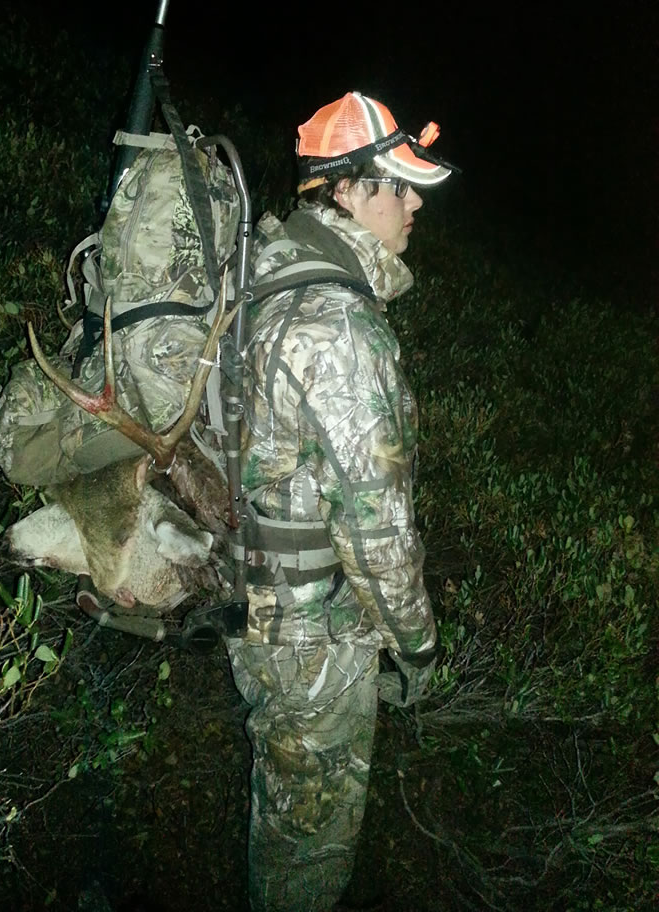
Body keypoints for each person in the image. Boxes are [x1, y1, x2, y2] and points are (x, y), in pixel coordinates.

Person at [224, 91, 453, 912]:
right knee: (307, 855)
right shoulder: (340, 331)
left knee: (282, 807)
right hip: (316, 641)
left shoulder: (269, 270)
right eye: (398, 186)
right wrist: (417, 650)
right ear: (347, 191)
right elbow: (377, 533)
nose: (414, 204)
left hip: (259, 607)